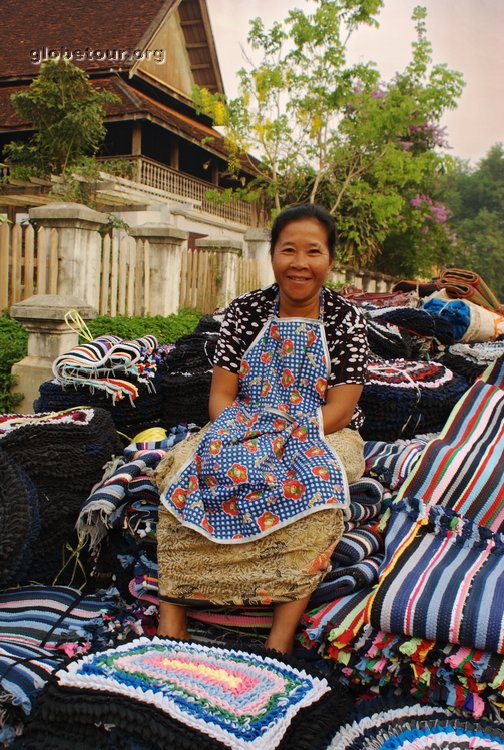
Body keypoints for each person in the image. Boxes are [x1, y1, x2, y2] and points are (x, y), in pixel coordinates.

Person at [155, 204, 369, 654]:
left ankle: (280, 637)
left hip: (321, 429)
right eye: (288, 250)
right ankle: (172, 615)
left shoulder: (346, 320)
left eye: (313, 251)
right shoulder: (245, 311)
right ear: (272, 255)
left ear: (329, 260)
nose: (300, 263)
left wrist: (291, 437)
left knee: (317, 490)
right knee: (184, 473)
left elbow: (343, 408)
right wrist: (244, 434)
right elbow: (220, 397)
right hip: (244, 424)